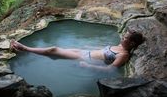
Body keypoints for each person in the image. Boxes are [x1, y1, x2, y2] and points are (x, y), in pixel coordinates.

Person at [10, 29, 145, 70]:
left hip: (85, 58)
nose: (122, 38)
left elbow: (111, 69)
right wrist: (87, 47)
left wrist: (88, 66)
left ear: (132, 43)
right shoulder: (120, 46)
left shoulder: (123, 55)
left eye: (126, 38)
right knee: (54, 53)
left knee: (53, 50)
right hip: (83, 52)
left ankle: (24, 48)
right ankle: (24, 51)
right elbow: (102, 51)